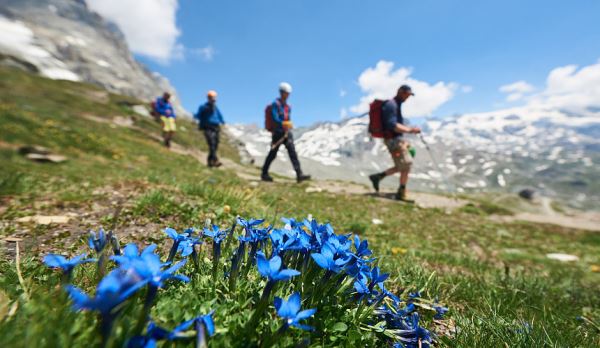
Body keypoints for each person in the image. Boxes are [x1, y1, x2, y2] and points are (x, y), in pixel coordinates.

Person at [368, 85, 421, 202]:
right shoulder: (391, 105)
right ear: (400, 92)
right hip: (393, 140)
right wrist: (410, 130)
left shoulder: (396, 105)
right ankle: (401, 193)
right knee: (406, 164)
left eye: (409, 95)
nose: (407, 97)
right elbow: (392, 125)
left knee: (401, 165)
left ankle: (377, 177)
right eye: (406, 94)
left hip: (396, 139)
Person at [261, 82, 311, 183]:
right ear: (281, 93)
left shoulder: (288, 106)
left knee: (293, 153)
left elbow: (288, 118)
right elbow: (275, 118)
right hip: (278, 133)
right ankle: (264, 173)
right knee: (273, 153)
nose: (287, 95)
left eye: (288, 93)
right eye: (285, 93)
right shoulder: (275, 104)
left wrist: (288, 125)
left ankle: (299, 174)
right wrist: (283, 123)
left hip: (287, 133)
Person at [195, 90, 225, 167]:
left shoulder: (216, 108)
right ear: (208, 98)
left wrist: (223, 122)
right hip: (207, 127)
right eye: (211, 97)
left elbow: (220, 116)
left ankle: (210, 162)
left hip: (216, 127)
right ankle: (216, 160)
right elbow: (198, 115)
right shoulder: (203, 107)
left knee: (215, 145)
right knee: (211, 144)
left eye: (214, 97)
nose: (213, 99)